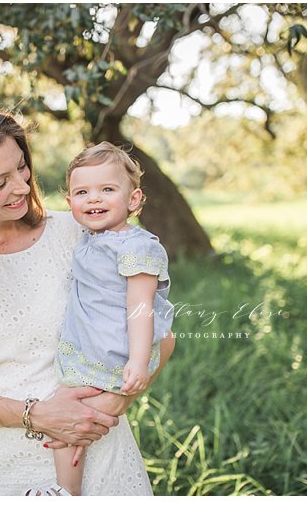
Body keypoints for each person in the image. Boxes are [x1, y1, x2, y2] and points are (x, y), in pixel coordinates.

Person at [0, 102, 175, 495]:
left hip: (99, 445)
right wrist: (39, 415)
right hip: (8, 462)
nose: (22, 187)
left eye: (21, 168)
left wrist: (114, 404)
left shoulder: (81, 235)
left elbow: (162, 335)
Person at [48, 142, 175, 496]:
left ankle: (64, 493)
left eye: (107, 189)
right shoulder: (91, 237)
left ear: (133, 200)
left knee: (71, 417)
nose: (93, 198)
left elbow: (141, 305)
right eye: (82, 192)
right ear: (70, 201)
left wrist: (138, 361)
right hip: (92, 346)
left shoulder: (137, 247)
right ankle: (66, 491)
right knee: (68, 415)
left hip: (119, 351)